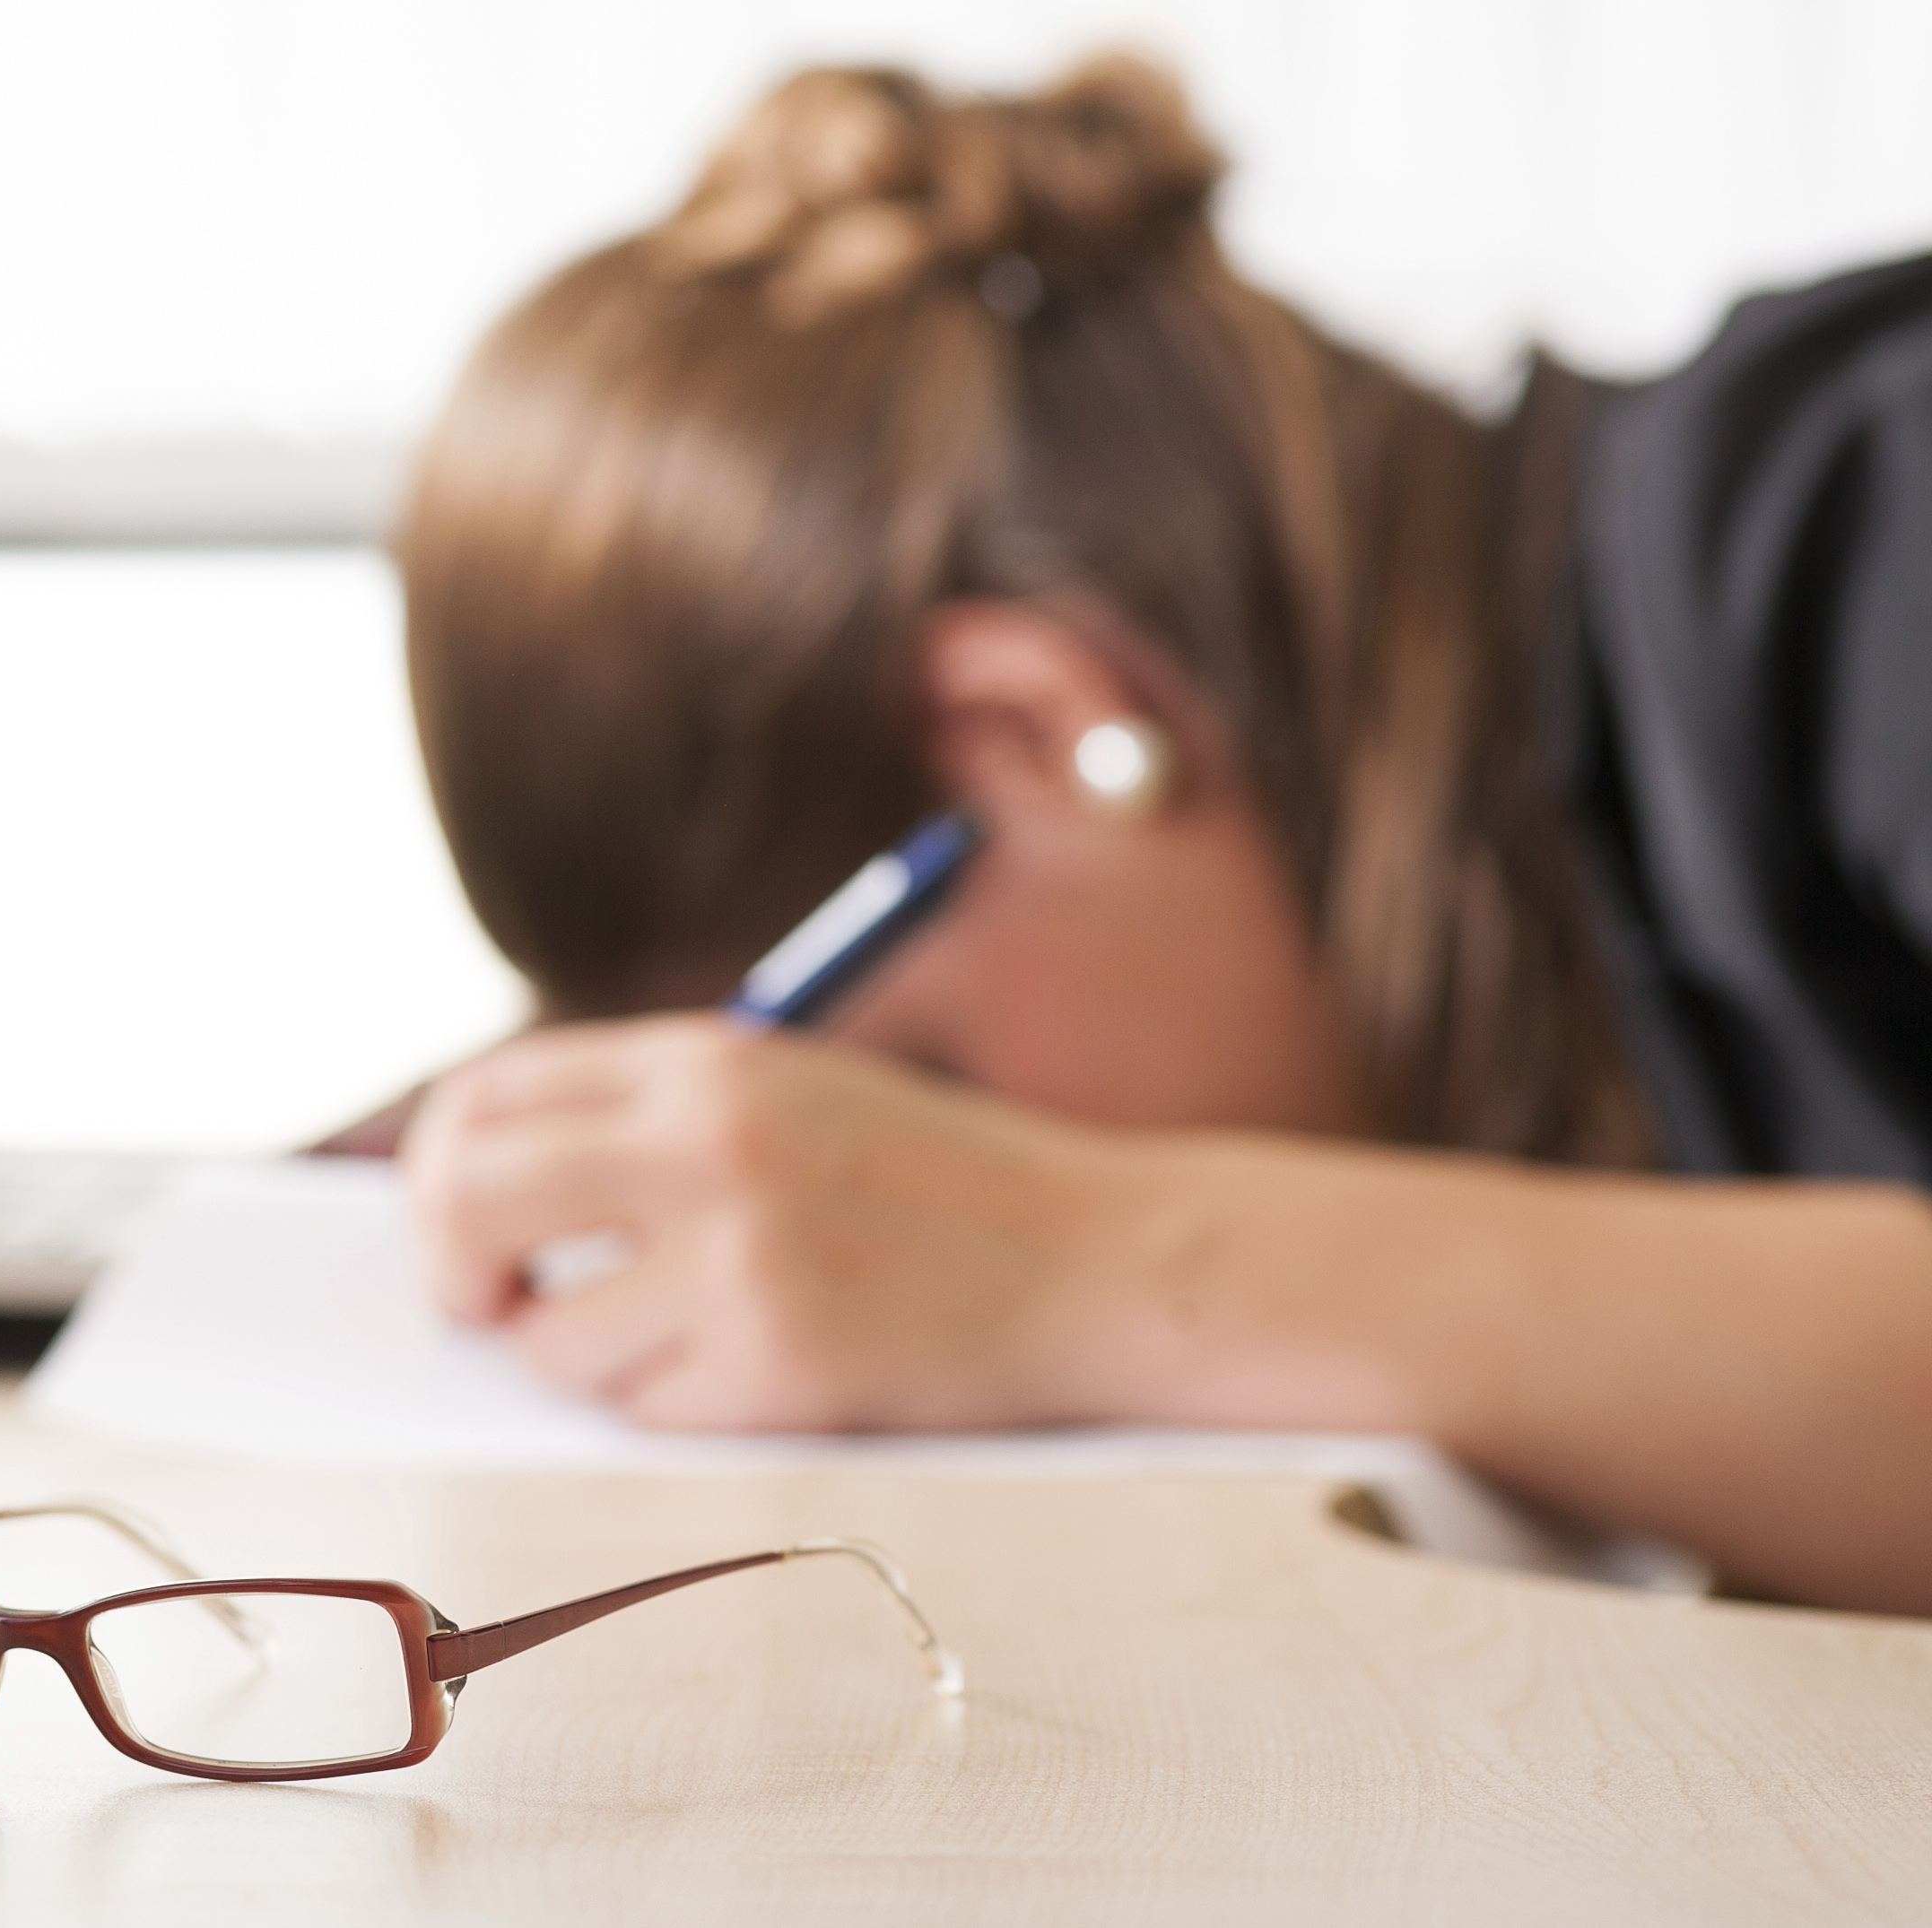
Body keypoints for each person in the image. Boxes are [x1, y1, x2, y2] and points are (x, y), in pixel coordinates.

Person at [383, 56, 1932, 1615]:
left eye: (930, 1098)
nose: (911, 1191)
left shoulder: (1877, 506)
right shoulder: (1542, 965)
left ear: (1043, 732)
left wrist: (1084, 1255)